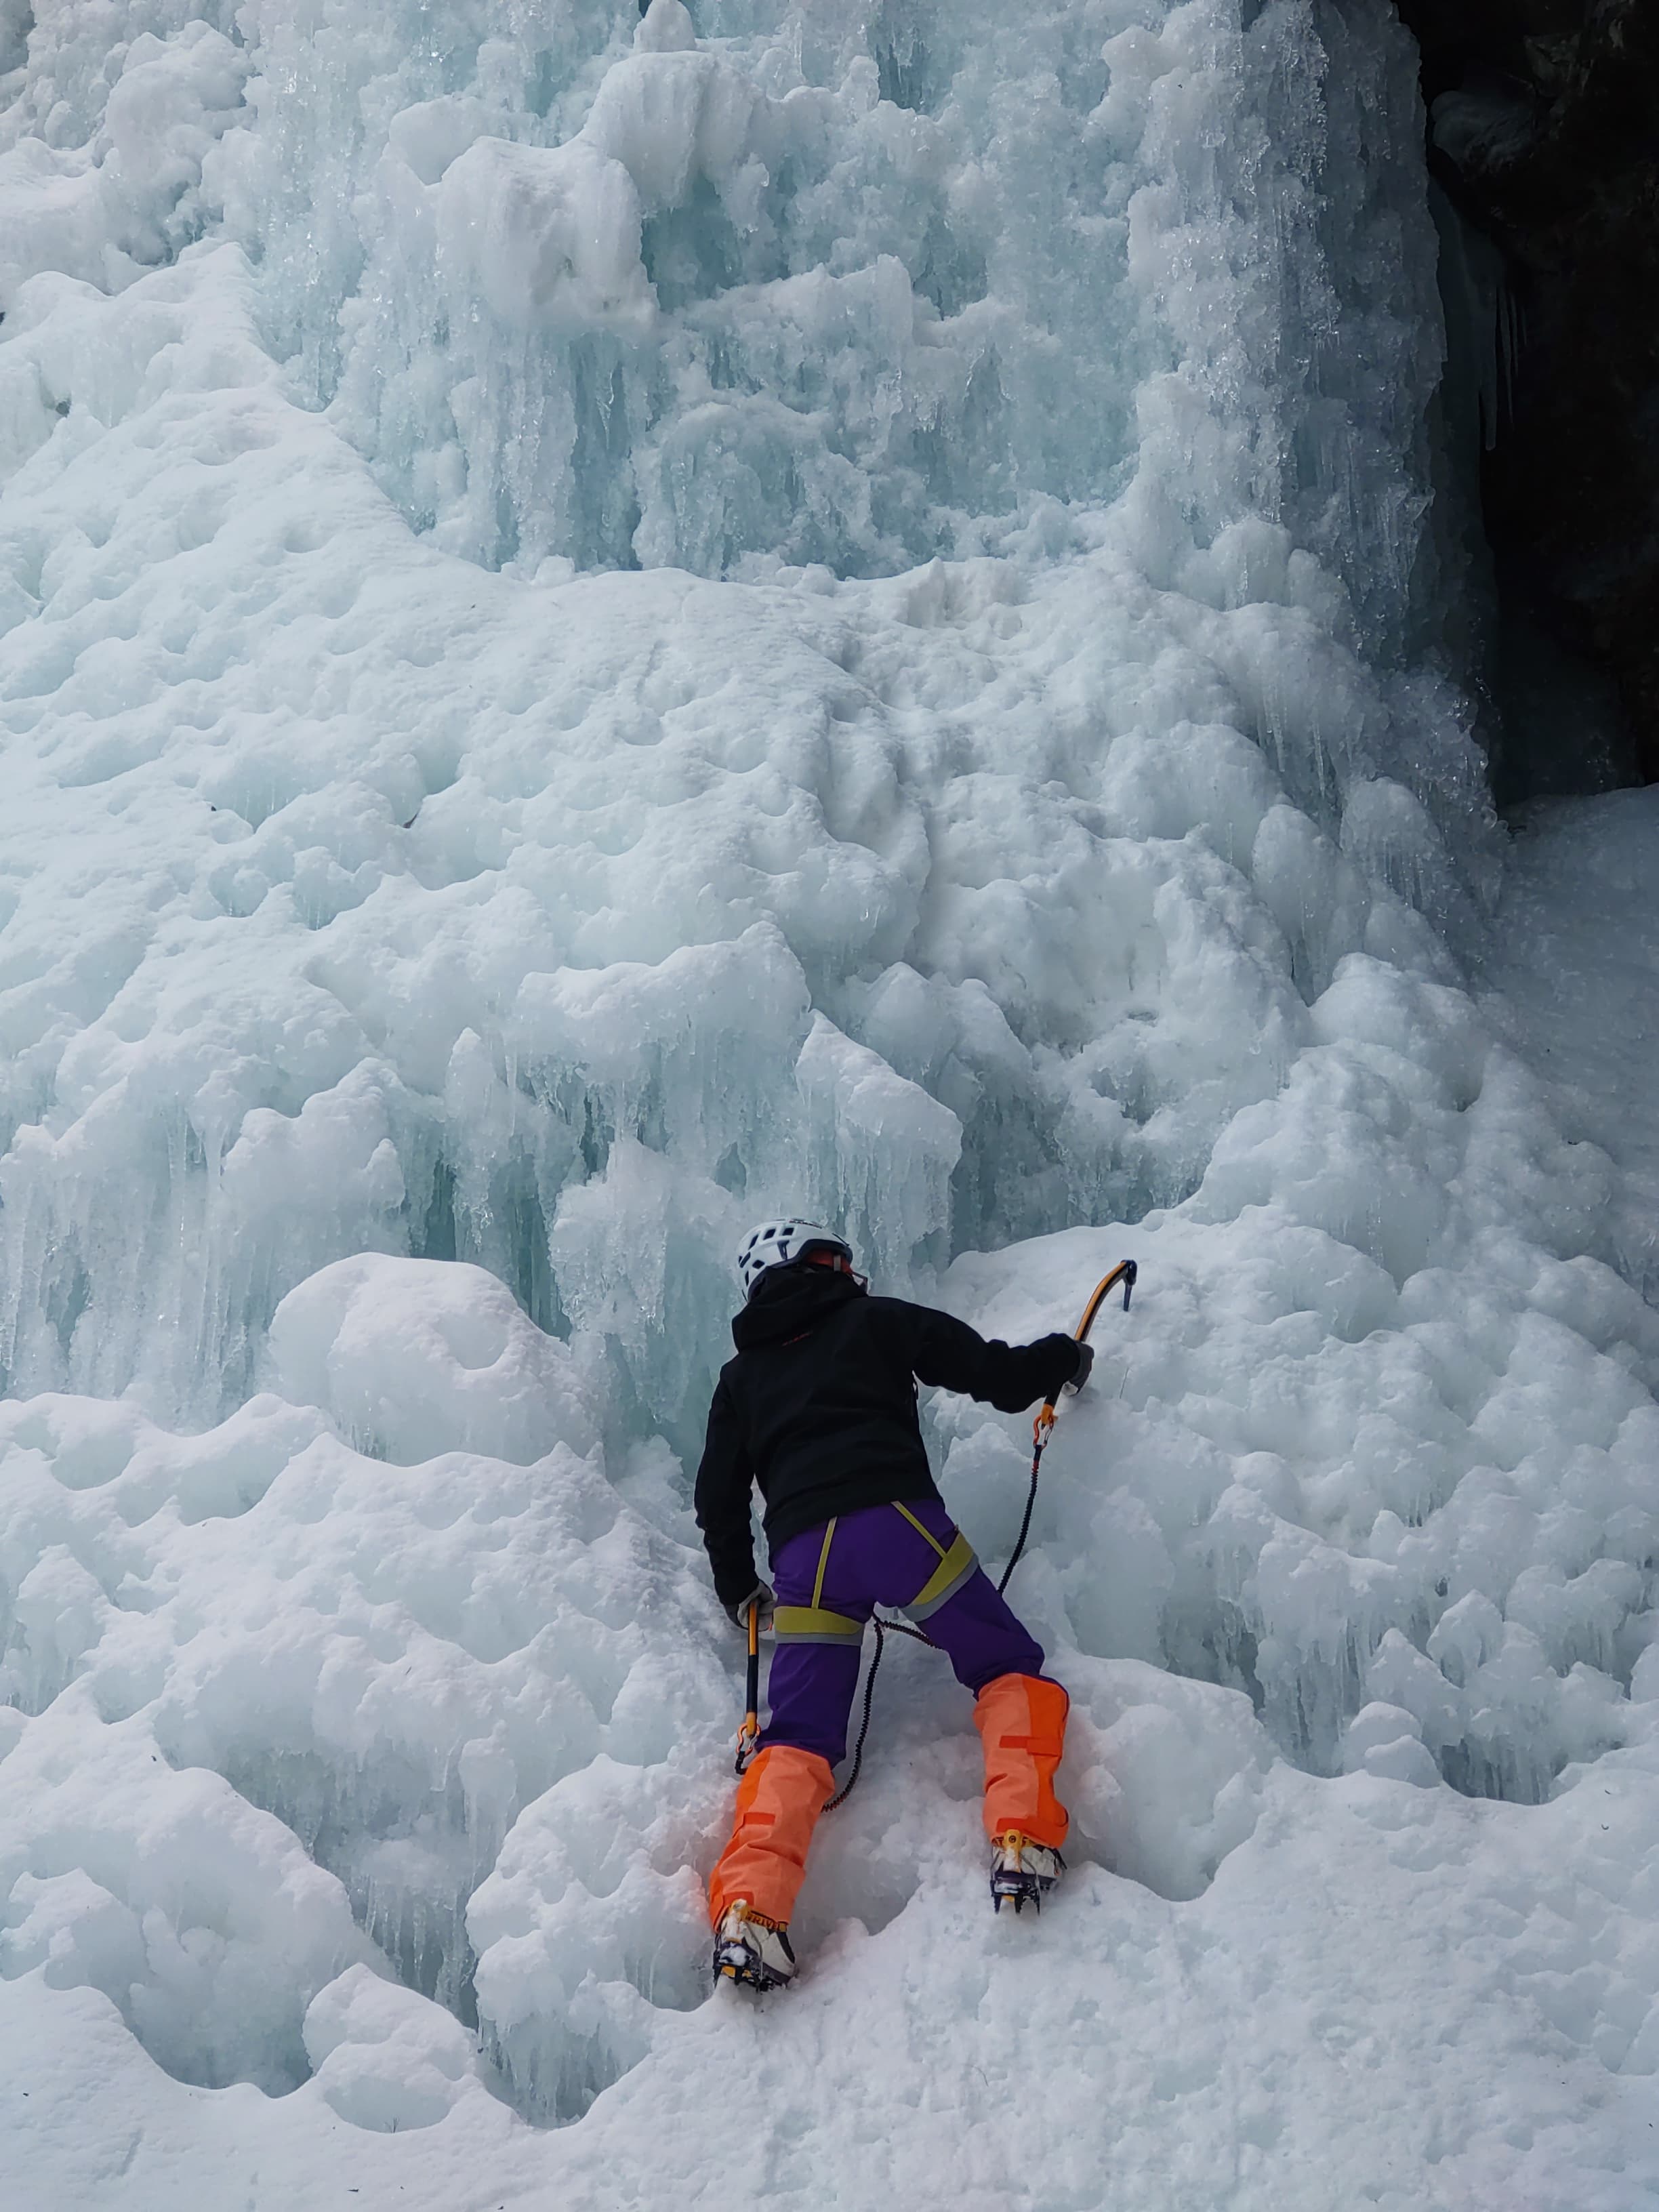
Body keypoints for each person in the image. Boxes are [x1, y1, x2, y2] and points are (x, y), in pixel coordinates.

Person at [695, 1218, 1093, 1991]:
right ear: (820, 1265)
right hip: (899, 1526)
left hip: (805, 1559)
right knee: (1004, 1662)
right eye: (837, 1258)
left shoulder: (740, 1379)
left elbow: (718, 1498)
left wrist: (738, 1586)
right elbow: (997, 1375)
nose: (849, 1269)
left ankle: (750, 1915)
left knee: (800, 1736)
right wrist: (1065, 1360)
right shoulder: (875, 1320)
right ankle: (1021, 1836)